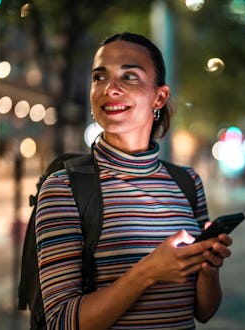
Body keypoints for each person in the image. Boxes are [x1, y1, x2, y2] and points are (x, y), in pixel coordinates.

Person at [35, 32, 233, 329]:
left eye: (129, 77)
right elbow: (60, 322)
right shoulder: (64, 188)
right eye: (99, 77)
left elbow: (203, 311)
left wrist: (207, 267)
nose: (109, 89)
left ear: (159, 96)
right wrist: (148, 272)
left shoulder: (187, 183)